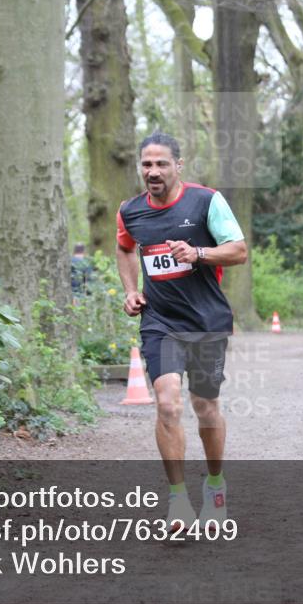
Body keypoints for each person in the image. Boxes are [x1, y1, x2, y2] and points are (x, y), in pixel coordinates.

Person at [115, 132, 248, 532]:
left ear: (178, 165)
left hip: (206, 321)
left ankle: (215, 486)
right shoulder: (130, 211)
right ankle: (178, 501)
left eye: (161, 164)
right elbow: (125, 247)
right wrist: (131, 290)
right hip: (160, 321)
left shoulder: (206, 201)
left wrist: (199, 253)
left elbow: (239, 250)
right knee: (168, 403)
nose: (153, 171)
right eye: (147, 164)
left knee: (205, 406)